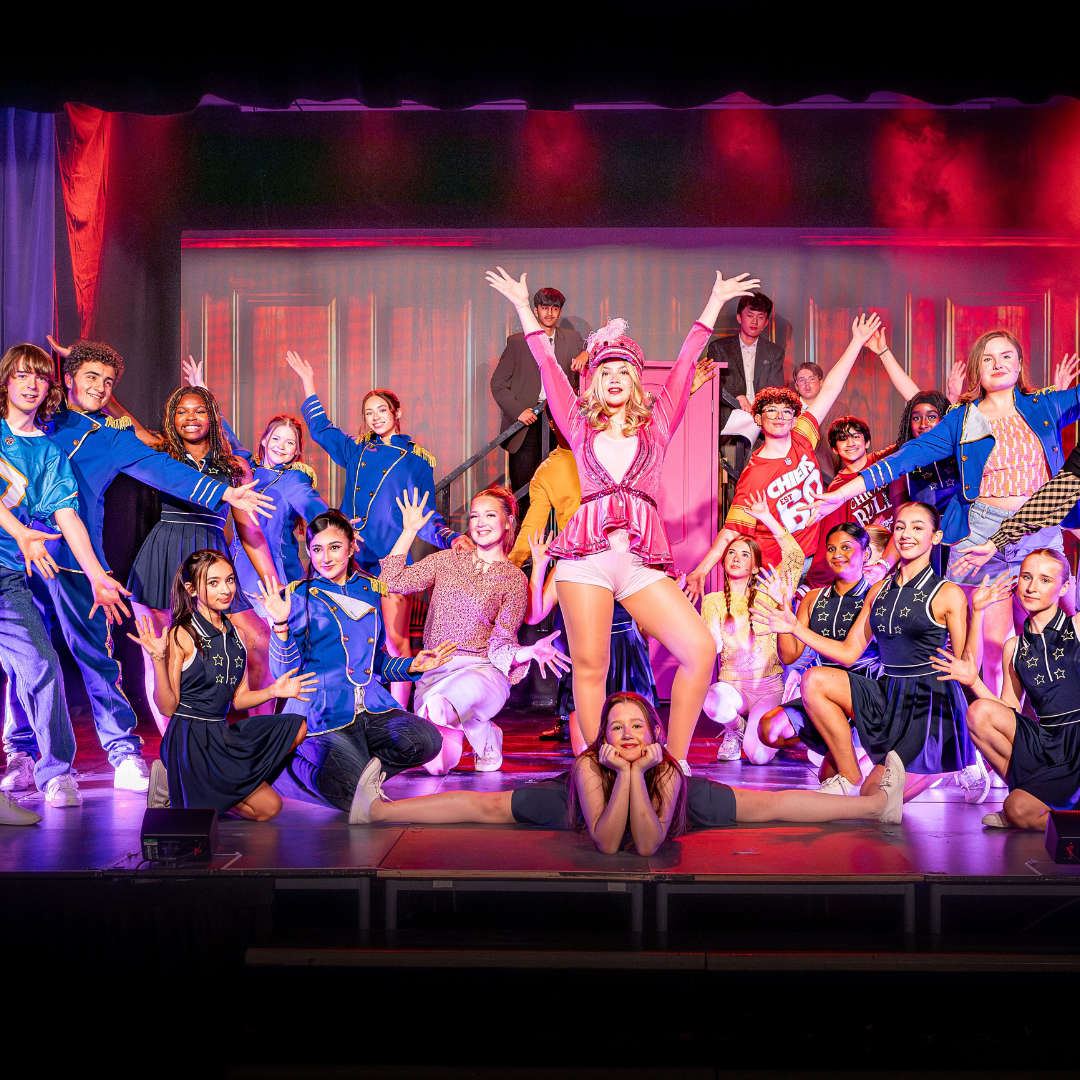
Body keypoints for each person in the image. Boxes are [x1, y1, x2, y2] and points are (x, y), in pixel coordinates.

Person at [485, 265, 760, 772]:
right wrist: (523, 307)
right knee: (592, 667)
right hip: (585, 562)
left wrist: (716, 300)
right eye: (605, 372)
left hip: (637, 563)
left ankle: (675, 764)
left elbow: (685, 361)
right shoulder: (578, 427)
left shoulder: (656, 426)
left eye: (623, 372)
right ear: (594, 381)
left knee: (699, 649)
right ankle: (599, 769)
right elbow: (547, 363)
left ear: (635, 382)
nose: (614, 379)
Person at [0, 340, 268, 796]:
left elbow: (165, 469)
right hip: (15, 558)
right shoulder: (41, 419)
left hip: (77, 561)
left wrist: (224, 493)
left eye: (109, 382)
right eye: (91, 377)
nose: (101, 388)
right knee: (26, 662)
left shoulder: (113, 438)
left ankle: (122, 750)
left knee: (95, 656)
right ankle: (23, 752)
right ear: (67, 379)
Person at [815, 332, 1080, 696]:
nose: (998, 364)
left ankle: (1053, 720)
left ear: (1020, 364)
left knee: (1055, 635)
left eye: (1006, 356)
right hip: (980, 534)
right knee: (993, 646)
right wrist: (841, 493)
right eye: (988, 358)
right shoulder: (962, 420)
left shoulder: (1045, 405)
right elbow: (906, 457)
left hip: (1038, 528)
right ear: (977, 370)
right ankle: (1000, 726)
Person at [348, 691, 906, 844]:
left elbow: (650, 842)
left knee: (767, 807)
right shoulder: (589, 767)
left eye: (637, 726)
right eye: (616, 728)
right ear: (603, 739)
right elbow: (611, 842)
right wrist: (629, 775)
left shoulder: (668, 770)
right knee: (488, 806)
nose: (628, 735)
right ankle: (378, 812)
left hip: (667, 800)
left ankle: (872, 806)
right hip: (584, 805)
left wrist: (644, 773)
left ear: (654, 734)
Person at [753, 502, 1006, 801]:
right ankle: (849, 776)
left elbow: (966, 667)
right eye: (900, 527)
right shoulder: (878, 591)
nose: (906, 534)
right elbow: (848, 653)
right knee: (815, 679)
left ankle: (949, 760)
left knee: (876, 802)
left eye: (917, 527)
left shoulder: (948, 593)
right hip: (888, 695)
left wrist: (978, 613)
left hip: (928, 706)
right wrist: (795, 627)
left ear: (936, 537)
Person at [285, 354, 464, 706]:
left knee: (396, 640)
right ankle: (349, 703)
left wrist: (450, 538)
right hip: (351, 559)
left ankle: (399, 712)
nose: (375, 417)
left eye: (382, 410)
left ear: (397, 413)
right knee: (347, 635)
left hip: (389, 561)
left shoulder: (415, 460)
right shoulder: (356, 449)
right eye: (369, 412)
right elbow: (321, 429)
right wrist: (308, 382)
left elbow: (425, 515)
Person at [0, 344, 130, 815]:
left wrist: (97, 575)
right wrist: (20, 532)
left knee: (41, 665)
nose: (31, 384)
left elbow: (67, 515)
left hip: (8, 578)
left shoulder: (48, 451)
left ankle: (55, 772)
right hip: (18, 557)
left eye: (39, 376)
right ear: (6, 381)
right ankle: (18, 752)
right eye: (22, 375)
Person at [262, 510, 455, 811]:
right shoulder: (298, 596)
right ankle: (287, 773)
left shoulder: (369, 590)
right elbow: (283, 674)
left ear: (352, 547)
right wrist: (280, 625)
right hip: (323, 712)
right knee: (354, 796)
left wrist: (411, 665)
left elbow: (377, 663)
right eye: (317, 549)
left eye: (335, 547)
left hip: (371, 707)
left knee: (427, 740)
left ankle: (360, 779)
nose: (325, 558)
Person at [685, 311, 881, 590]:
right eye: (771, 411)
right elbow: (732, 530)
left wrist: (856, 342)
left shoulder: (802, 437)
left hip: (817, 556)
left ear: (794, 418)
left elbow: (830, 388)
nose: (779, 417)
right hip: (776, 570)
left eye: (786, 412)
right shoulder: (755, 474)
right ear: (758, 419)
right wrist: (701, 570)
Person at [380, 487, 569, 773]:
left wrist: (529, 652)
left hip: (481, 672)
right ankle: (482, 730)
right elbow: (391, 582)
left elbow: (501, 644)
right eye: (474, 516)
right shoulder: (446, 561)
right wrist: (409, 531)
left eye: (490, 515)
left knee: (440, 705)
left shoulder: (513, 579)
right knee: (437, 768)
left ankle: (473, 724)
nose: (480, 523)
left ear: (508, 522)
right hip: (435, 672)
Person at [127, 385, 277, 734]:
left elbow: (249, 530)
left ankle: (264, 740)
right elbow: (124, 422)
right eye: (181, 411)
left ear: (212, 416)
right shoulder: (162, 454)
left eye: (198, 410)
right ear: (172, 418)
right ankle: (173, 748)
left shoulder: (235, 466)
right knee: (162, 655)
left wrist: (274, 584)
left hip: (212, 561)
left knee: (258, 639)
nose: (190, 418)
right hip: (162, 558)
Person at [130, 549, 316, 819]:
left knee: (296, 729)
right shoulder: (182, 633)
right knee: (262, 810)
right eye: (213, 583)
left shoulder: (237, 633)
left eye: (229, 580)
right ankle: (178, 784)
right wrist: (158, 659)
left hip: (221, 735)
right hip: (190, 741)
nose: (226, 589)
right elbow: (167, 708)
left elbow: (239, 699)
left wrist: (274, 691)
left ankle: (193, 791)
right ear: (192, 589)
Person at [933, 549, 1080, 831]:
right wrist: (974, 681)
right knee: (979, 713)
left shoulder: (1077, 626)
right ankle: (1028, 798)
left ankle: (1048, 813)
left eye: (1045, 580)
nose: (1032, 587)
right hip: (1047, 743)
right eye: (1026, 577)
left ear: (1064, 587)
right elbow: (1009, 711)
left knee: (1019, 812)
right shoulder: (1014, 647)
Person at [758, 522, 883, 769]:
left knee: (836, 775)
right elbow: (789, 656)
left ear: (866, 553)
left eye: (846, 547)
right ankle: (834, 743)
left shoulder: (875, 596)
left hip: (862, 693)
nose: (837, 554)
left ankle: (851, 746)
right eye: (831, 549)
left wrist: (797, 628)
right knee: (768, 730)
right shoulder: (813, 598)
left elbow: (848, 655)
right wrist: (784, 608)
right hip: (819, 693)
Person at [699, 492, 805, 764]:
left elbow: (795, 556)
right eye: (731, 552)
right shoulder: (712, 601)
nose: (736, 558)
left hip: (767, 688)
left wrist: (767, 517)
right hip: (733, 686)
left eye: (745, 554)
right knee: (712, 699)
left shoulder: (769, 593)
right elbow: (711, 648)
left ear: (756, 566)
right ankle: (735, 729)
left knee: (758, 757)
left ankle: (779, 730)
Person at [526, 528, 657, 748]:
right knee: (588, 756)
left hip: (625, 658)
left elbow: (648, 628)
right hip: (585, 657)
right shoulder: (569, 564)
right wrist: (539, 566)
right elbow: (534, 616)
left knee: (634, 750)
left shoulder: (632, 561)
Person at [489, 286, 585, 506]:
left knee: (562, 486)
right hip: (527, 421)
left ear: (560, 312)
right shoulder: (517, 342)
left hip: (559, 420)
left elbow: (601, 347)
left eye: (555, 308)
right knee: (524, 487)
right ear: (535, 310)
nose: (549, 313)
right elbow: (498, 384)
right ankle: (525, 526)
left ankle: (559, 529)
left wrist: (587, 353)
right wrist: (518, 412)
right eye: (544, 308)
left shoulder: (572, 339)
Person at [225, 413, 328, 613]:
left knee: (271, 624)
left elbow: (316, 509)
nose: (281, 446)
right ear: (264, 440)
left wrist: (340, 526)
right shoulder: (247, 468)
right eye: (276, 439)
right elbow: (227, 438)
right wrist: (204, 399)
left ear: (297, 450)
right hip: (236, 565)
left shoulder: (294, 479)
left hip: (273, 570)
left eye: (290, 442)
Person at [704, 292, 785, 496]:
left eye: (760, 317)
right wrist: (737, 396)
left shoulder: (774, 352)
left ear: (766, 322)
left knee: (761, 481)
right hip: (729, 424)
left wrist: (758, 407)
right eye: (750, 315)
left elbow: (775, 389)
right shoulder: (719, 348)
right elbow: (713, 385)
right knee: (729, 481)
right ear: (739, 317)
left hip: (761, 424)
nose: (754, 321)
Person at [804, 416, 896, 588]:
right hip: (870, 568)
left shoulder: (884, 460)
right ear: (834, 449)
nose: (850, 443)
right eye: (842, 439)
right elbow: (831, 541)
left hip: (900, 549)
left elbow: (913, 441)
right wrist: (809, 587)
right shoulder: (836, 490)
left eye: (856, 436)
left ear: (867, 442)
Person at [507, 414, 580, 568]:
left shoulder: (604, 450)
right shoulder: (546, 471)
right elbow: (533, 524)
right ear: (551, 424)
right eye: (563, 415)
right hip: (576, 556)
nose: (570, 423)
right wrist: (512, 565)